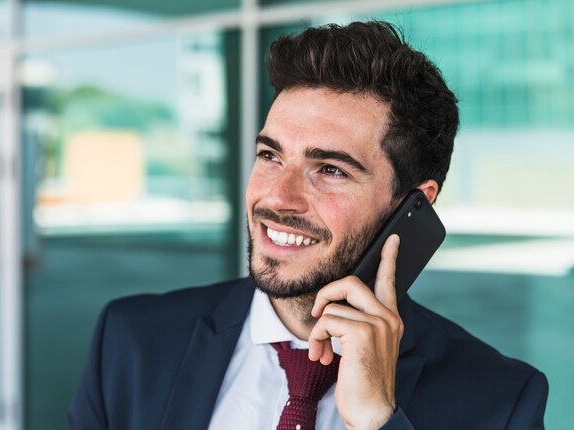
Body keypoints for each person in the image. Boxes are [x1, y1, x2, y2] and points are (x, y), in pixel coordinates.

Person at [67, 21, 548, 430]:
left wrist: (378, 423)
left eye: (331, 169)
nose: (278, 197)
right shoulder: (131, 341)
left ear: (413, 205)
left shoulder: (500, 400)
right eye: (270, 156)